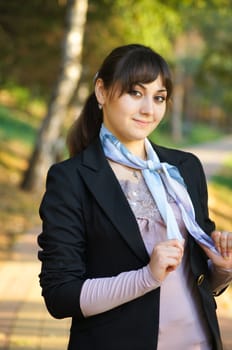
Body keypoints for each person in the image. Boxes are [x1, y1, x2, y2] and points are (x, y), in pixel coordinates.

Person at [38, 44, 232, 350]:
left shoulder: (183, 168)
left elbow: (200, 282)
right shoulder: (71, 179)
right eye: (135, 93)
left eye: (159, 97)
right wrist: (146, 277)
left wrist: (222, 268)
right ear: (101, 91)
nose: (148, 110)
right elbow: (60, 295)